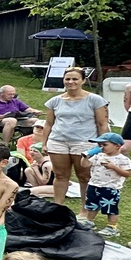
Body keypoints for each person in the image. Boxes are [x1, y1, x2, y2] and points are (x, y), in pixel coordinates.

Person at [38, 67, 109, 205]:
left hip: (84, 142)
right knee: (60, 175)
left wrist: (103, 144)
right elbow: (48, 124)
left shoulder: (95, 100)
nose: (71, 82)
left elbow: (102, 124)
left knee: (84, 176)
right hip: (58, 142)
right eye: (68, 79)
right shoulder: (55, 101)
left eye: (75, 79)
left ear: (83, 81)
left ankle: (85, 209)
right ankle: (58, 207)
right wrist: (44, 143)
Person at [82, 132, 131, 237]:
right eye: (100, 145)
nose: (101, 147)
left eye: (105, 145)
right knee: (92, 205)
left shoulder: (123, 159)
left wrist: (113, 167)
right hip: (94, 185)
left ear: (117, 146)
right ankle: (89, 221)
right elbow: (85, 165)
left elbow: (127, 174)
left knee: (111, 208)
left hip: (110, 187)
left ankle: (112, 227)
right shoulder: (98, 156)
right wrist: (85, 156)